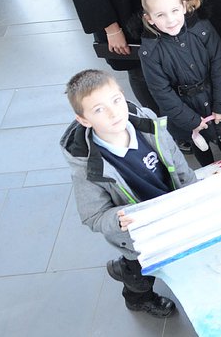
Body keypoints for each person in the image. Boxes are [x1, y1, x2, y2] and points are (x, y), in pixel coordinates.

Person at [60, 69, 194, 318]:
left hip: (169, 211)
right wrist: (117, 219)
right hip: (136, 235)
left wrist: (190, 189)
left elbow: (176, 158)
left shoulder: (147, 123)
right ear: (84, 120)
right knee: (141, 272)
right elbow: (93, 217)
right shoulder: (88, 167)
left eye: (116, 100)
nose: (114, 113)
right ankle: (136, 296)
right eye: (99, 109)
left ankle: (125, 268)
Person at [138, 0, 221, 166]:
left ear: (183, 7)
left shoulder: (203, 30)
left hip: (216, 96)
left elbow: (219, 65)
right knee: (200, 148)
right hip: (185, 108)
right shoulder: (150, 52)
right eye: (160, 15)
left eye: (174, 11)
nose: (171, 20)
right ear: (150, 19)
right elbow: (161, 92)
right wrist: (190, 121)